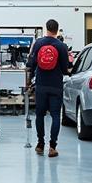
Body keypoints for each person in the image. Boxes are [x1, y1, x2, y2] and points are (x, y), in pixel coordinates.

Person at [26, 18, 71, 158]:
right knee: (55, 116)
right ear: (57, 30)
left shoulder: (38, 43)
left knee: (40, 115)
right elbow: (65, 69)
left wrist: (30, 80)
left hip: (41, 85)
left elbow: (31, 65)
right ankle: (52, 147)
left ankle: (40, 144)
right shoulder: (62, 46)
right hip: (56, 86)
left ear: (46, 28)